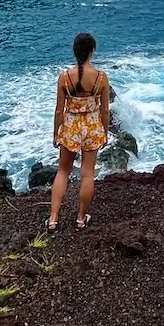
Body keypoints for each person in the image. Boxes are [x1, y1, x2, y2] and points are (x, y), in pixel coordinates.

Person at [47, 32, 109, 231]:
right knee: (87, 174)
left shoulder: (64, 77)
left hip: (71, 126)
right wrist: (104, 132)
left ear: (75, 51)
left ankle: (53, 219)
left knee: (63, 171)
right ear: (92, 51)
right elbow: (105, 110)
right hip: (92, 127)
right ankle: (81, 218)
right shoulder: (101, 77)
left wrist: (56, 133)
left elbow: (59, 109)